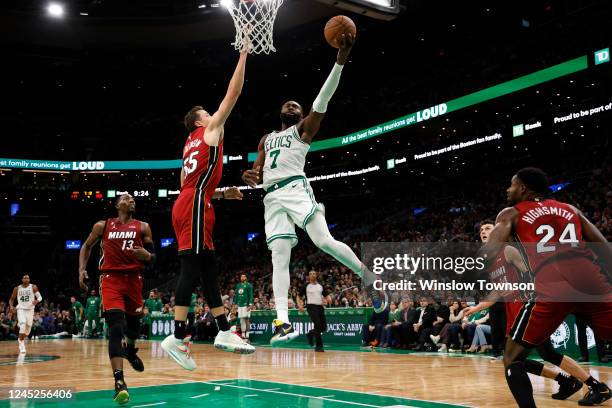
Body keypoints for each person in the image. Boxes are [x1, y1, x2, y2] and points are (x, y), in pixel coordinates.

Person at [241, 32, 386, 345]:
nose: (293, 105)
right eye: (288, 103)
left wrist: (340, 59)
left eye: (297, 104)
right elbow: (257, 169)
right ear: (280, 112)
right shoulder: (266, 138)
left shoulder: (304, 129)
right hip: (272, 197)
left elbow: (324, 97)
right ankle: (282, 321)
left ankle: (367, 276)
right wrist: (250, 175)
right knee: (279, 256)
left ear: (300, 114)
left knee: (324, 241)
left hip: (295, 188)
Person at [481, 167, 612, 406]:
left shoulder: (511, 213)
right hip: (591, 282)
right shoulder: (571, 209)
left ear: (523, 188)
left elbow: (490, 252)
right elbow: (604, 248)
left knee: (512, 358)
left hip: (552, 285)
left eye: (511, 185)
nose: (508, 190)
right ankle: (587, 385)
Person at [161, 43, 254, 371]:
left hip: (191, 202)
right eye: (206, 112)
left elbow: (196, 182)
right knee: (191, 269)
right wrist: (243, 54)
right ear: (200, 120)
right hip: (194, 205)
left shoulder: (190, 144)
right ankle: (176, 336)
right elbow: (235, 90)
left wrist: (221, 194)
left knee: (208, 267)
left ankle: (225, 331)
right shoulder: (211, 129)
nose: (212, 113)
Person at [79, 193, 153, 405]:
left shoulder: (143, 227)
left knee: (133, 327)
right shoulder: (103, 226)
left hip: (135, 280)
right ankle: (119, 382)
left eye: (132, 198)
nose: (131, 200)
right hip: (110, 279)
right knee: (116, 328)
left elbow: (153, 257)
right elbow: (86, 246)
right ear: (117, 204)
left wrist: (147, 256)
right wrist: (81, 270)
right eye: (126, 197)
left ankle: (130, 350)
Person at [8, 275, 42, 353]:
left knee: (28, 330)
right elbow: (11, 299)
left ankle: (20, 338)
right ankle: (21, 344)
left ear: (29, 279)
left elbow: (40, 297)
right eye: (24, 278)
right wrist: (11, 306)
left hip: (30, 309)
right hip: (21, 309)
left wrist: (37, 301)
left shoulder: (33, 287)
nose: (26, 279)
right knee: (23, 324)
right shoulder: (17, 288)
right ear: (22, 279)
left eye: (27, 278)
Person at [299, 270, 327, 352]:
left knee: (324, 327)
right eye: (310, 274)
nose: (312, 275)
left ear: (316, 275)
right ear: (308, 276)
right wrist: (300, 305)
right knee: (318, 326)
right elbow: (298, 296)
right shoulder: (306, 286)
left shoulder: (320, 286)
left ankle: (311, 333)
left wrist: (328, 299)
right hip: (311, 307)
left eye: (314, 273)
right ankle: (319, 346)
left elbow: (326, 295)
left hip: (320, 307)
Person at [234, 273, 254, 340]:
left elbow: (251, 295)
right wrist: (235, 303)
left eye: (244, 277)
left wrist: (250, 304)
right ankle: (243, 334)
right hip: (240, 305)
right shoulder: (238, 285)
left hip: (246, 305)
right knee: (242, 320)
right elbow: (236, 295)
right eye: (241, 277)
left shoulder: (248, 285)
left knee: (247, 320)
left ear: (246, 278)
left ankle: (247, 334)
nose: (242, 278)